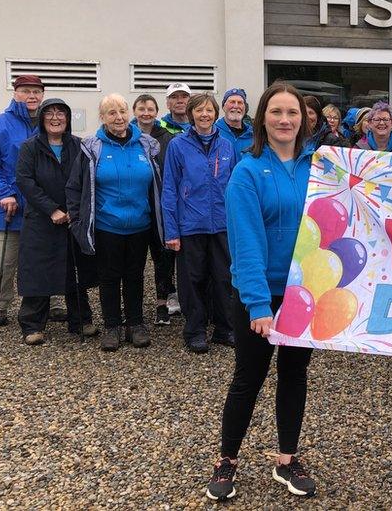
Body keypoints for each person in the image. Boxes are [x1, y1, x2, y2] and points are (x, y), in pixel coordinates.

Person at [205, 82, 318, 502]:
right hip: (261, 297)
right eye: (276, 113)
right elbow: (246, 242)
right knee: (248, 378)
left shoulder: (320, 168)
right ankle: (226, 459)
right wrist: (256, 303)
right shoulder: (247, 171)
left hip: (303, 293)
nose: (285, 120)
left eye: (292, 113)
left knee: (294, 375)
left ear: (303, 119)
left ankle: (287, 458)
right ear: (262, 120)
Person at [67, 94, 163, 352]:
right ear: (103, 118)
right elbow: (75, 187)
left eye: (122, 111)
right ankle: (112, 326)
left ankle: (135, 323)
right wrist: (77, 221)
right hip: (107, 226)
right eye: (112, 113)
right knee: (109, 277)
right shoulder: (91, 147)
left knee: (135, 275)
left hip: (140, 225)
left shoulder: (147, 145)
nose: (119, 118)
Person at [0, 74, 66, 326]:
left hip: (44, 208)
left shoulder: (50, 123)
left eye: (36, 91)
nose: (32, 96)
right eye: (26, 91)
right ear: (15, 93)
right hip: (10, 208)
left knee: (49, 256)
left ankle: (53, 301)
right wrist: (4, 193)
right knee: (5, 262)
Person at [14, 99, 97, 344]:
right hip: (40, 220)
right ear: (41, 118)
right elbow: (25, 181)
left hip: (72, 219)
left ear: (68, 118)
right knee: (37, 272)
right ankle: (32, 325)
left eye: (60, 113)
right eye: (49, 113)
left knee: (74, 269)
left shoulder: (79, 146)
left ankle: (80, 320)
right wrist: (52, 210)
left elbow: (86, 180)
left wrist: (74, 210)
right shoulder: (30, 147)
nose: (55, 118)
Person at [162, 92, 237, 353]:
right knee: (192, 280)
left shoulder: (227, 145)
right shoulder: (177, 146)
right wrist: (172, 230)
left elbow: (236, 187)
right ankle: (195, 331)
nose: (205, 115)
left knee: (224, 277)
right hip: (190, 224)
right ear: (191, 113)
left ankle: (224, 327)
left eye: (209, 110)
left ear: (216, 114)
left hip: (222, 223)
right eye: (199, 110)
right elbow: (169, 189)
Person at [132, 94, 177, 325]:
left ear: (157, 112)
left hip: (160, 206)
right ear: (134, 111)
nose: (146, 113)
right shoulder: (127, 136)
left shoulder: (166, 138)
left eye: (150, 109)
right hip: (137, 206)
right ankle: (133, 310)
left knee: (163, 258)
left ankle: (163, 303)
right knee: (135, 261)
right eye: (142, 108)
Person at [214, 88, 254, 157]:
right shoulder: (213, 132)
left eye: (240, 103)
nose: (236, 106)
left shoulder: (254, 135)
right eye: (232, 102)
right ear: (223, 107)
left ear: (245, 108)